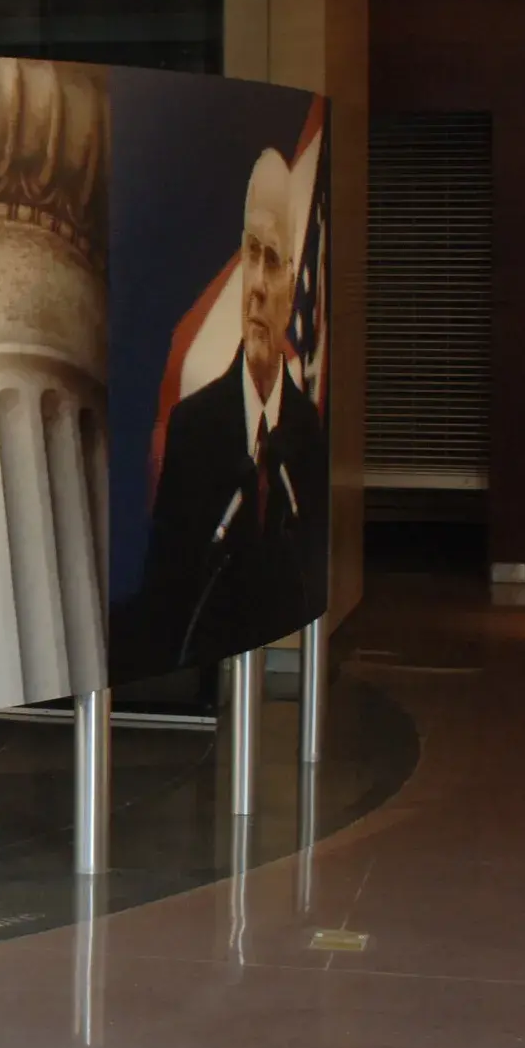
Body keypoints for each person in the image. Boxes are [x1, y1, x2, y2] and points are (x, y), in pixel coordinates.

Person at [120, 148, 328, 678]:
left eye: (273, 260)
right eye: (251, 253)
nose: (256, 284)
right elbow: (167, 591)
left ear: (293, 284)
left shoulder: (307, 435)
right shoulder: (193, 427)